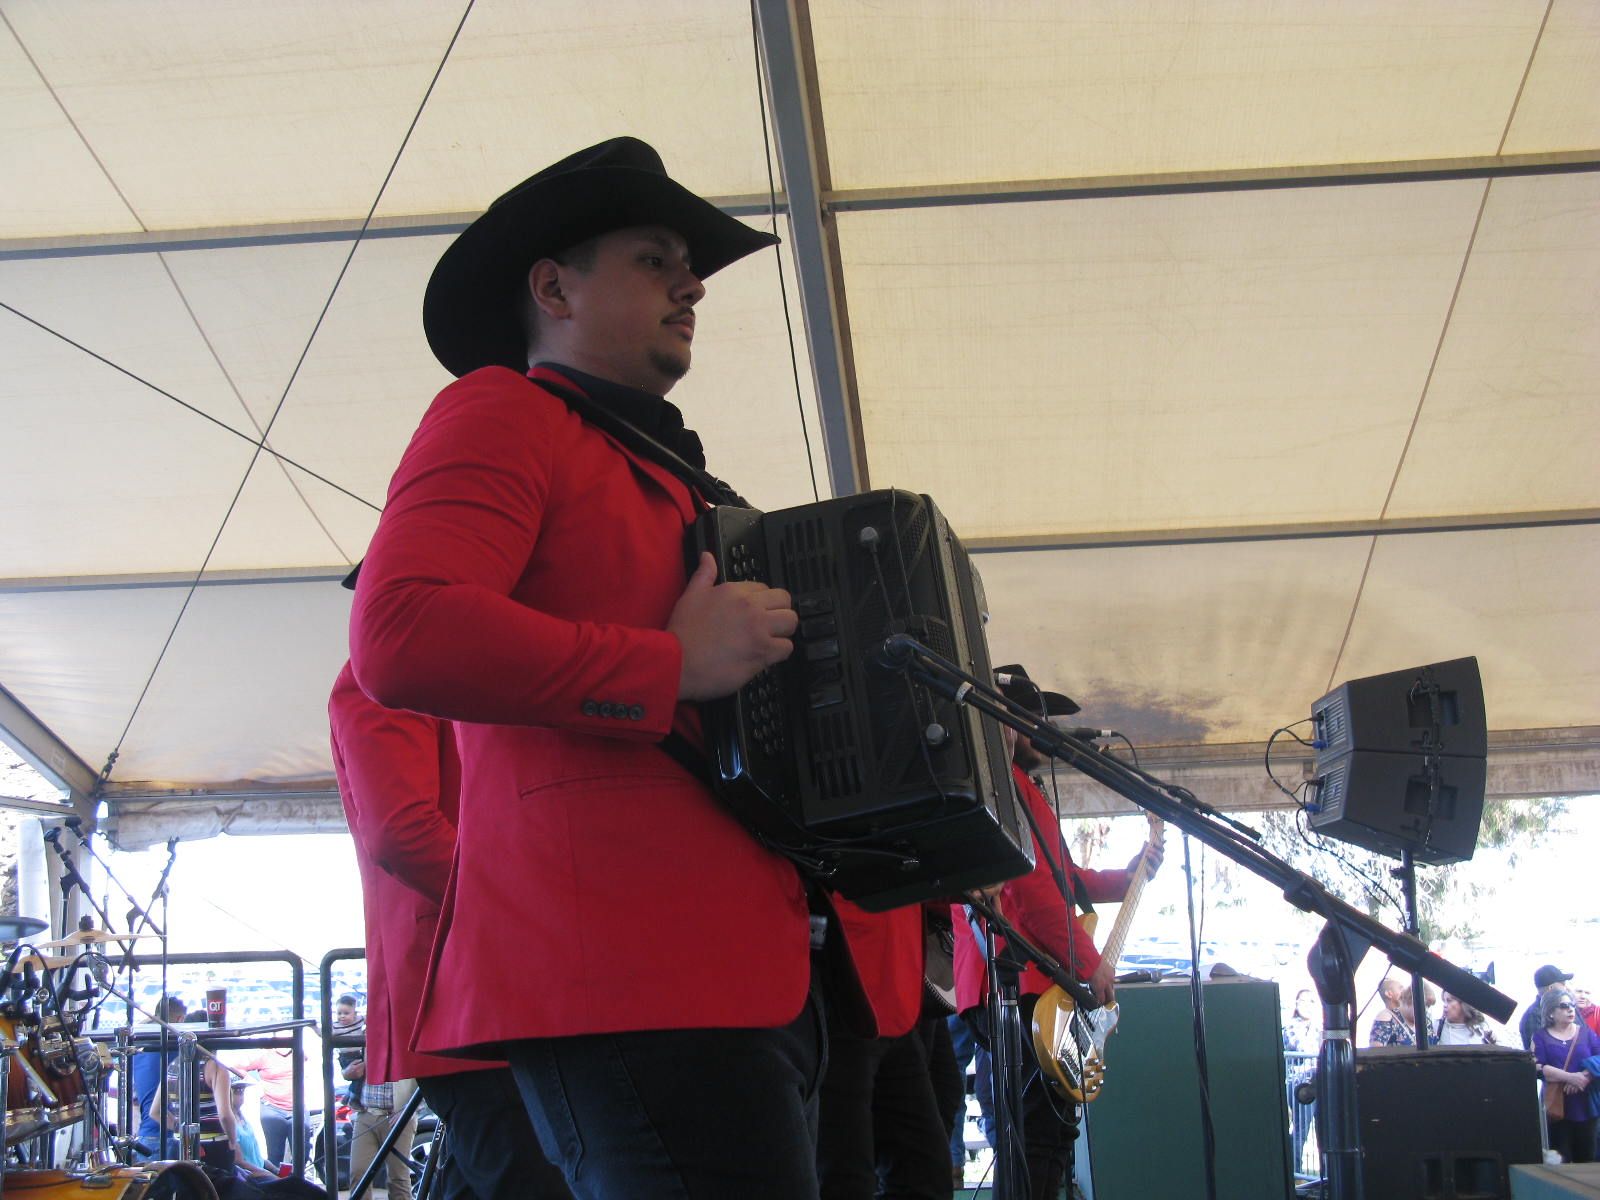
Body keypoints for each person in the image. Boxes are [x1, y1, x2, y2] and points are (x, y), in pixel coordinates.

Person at [346, 137, 830, 1198]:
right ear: (553, 289)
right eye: (655, 260)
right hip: (622, 969)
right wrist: (667, 665)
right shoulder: (503, 410)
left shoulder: (667, 471)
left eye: (687, 267)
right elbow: (400, 631)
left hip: (734, 969)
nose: (692, 285)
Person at [330, 664, 572, 1199]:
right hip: (465, 982)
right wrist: (537, 915)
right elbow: (402, 832)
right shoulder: (387, 673)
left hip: (486, 981)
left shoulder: (432, 671)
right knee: (525, 1171)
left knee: (497, 1168)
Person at [949, 664, 1162, 1200]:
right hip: (1019, 984)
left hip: (1020, 983)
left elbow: (1064, 879)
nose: (1045, 729)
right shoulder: (1007, 787)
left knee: (1044, 1137)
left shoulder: (1023, 789)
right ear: (1007, 724)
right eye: (1035, 717)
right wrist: (1089, 965)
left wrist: (1129, 876)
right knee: (1039, 1139)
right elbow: (1035, 891)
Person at [332, 992, 415, 1200]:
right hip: (366, 1112)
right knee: (358, 1173)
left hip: (397, 1115)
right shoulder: (364, 1034)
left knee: (398, 1178)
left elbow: (423, 1079)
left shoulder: (407, 1035)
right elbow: (348, 1063)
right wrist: (347, 1073)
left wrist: (407, 1110)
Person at [1532, 989, 1600, 1163]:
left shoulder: (1586, 1033)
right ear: (1550, 1012)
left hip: (1586, 1106)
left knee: (1587, 1161)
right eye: (1564, 1006)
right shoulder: (1540, 1037)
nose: (1570, 1009)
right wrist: (1570, 1078)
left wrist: (1584, 1077)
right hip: (1557, 1108)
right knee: (1561, 1162)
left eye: (1572, 1005)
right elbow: (1537, 1067)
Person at [132, 994, 187, 1159]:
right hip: (168, 1137)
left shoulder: (137, 1052)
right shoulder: (176, 1052)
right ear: (180, 1019)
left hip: (144, 1138)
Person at [1523, 964, 1576, 1050]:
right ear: (1551, 988)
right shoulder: (1533, 1016)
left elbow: (1585, 1036)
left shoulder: (1569, 1005)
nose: (1566, 988)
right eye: (1563, 984)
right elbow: (1540, 1052)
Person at [1369, 980, 1434, 1047]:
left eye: (1428, 1006)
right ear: (1408, 1000)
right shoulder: (1387, 1018)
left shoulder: (1427, 1021)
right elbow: (1376, 1050)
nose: (1425, 1010)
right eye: (1421, 1005)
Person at [1431, 991, 1497, 1045]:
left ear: (1463, 1004)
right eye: (1444, 1001)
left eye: (1449, 1001)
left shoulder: (1481, 1027)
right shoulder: (1437, 1027)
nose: (1444, 1005)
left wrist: (1493, 1042)